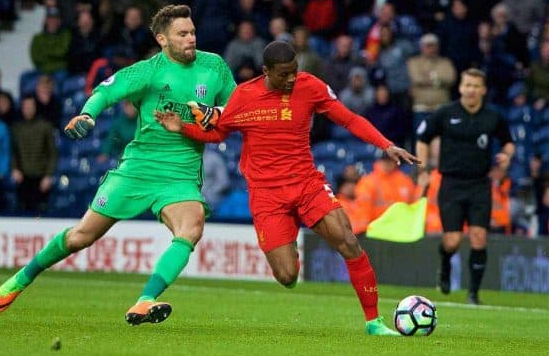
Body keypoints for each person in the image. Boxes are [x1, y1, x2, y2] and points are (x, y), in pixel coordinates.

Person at [0, 4, 237, 326]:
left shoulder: (213, 66)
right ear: (163, 39)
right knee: (81, 236)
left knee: (191, 228)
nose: (191, 38)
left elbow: (236, 107)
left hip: (180, 175)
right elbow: (105, 92)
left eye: (192, 32)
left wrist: (215, 115)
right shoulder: (148, 71)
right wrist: (88, 114)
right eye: (182, 34)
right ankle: (22, 278)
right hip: (138, 168)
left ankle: (145, 300)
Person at [155, 40, 420, 335]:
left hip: (306, 183)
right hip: (266, 194)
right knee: (287, 276)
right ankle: (288, 240)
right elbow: (218, 133)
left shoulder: (310, 87)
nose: (292, 78)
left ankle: (374, 322)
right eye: (284, 74)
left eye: (295, 70)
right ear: (266, 71)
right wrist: (183, 128)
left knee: (348, 241)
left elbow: (349, 119)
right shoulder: (244, 96)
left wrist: (386, 145)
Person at [416, 68, 515, 305]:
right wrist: (422, 171)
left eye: (475, 86)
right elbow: (422, 139)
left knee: (479, 237)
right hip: (451, 183)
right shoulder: (445, 113)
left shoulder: (493, 117)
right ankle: (445, 264)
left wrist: (506, 156)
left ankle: (473, 294)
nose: (470, 90)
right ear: (460, 88)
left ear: (483, 90)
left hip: (480, 184)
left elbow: (509, 143)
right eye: (467, 85)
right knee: (452, 240)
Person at [11, 96, 58, 213]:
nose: (28, 110)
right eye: (25, 107)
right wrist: (14, 168)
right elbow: (13, 151)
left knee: (41, 212)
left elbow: (52, 152)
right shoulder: (16, 128)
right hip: (22, 178)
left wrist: (48, 175)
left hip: (41, 178)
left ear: (35, 108)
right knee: (21, 211)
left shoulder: (45, 126)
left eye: (30, 107)